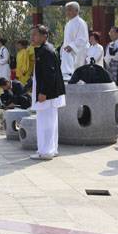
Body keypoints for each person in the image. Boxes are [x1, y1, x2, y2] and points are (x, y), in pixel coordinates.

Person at [30, 25, 66, 161]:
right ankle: (51, 149)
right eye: (32, 34)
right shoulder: (45, 49)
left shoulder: (46, 51)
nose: (32, 37)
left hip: (48, 94)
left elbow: (49, 74)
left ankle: (45, 151)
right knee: (50, 122)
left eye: (35, 34)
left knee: (45, 123)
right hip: (50, 93)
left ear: (44, 36)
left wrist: (43, 92)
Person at [60, 2, 89, 81]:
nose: (67, 12)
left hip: (78, 52)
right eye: (66, 10)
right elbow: (66, 40)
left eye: (69, 10)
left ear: (76, 11)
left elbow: (82, 39)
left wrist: (72, 46)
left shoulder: (81, 23)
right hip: (68, 53)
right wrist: (63, 49)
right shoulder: (68, 24)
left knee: (78, 75)